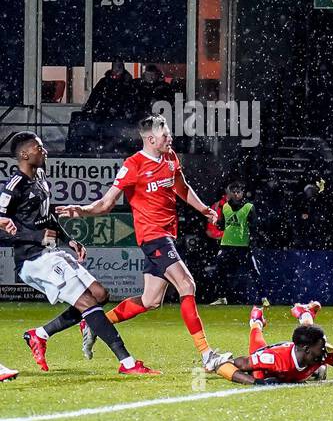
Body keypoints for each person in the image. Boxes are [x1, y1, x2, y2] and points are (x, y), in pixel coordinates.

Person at [56, 115, 227, 374]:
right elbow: (106, 203)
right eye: (165, 135)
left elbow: (182, 188)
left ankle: (95, 322)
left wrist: (204, 209)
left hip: (167, 234)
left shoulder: (170, 158)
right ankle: (207, 355)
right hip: (152, 235)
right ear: (150, 139)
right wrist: (81, 210)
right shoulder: (133, 165)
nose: (170, 138)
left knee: (150, 300)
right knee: (187, 284)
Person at [1, 132, 158, 376]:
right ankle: (127, 362)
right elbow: (2, 221)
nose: (44, 151)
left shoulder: (41, 177)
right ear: (23, 154)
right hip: (33, 259)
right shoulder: (14, 185)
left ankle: (39, 334)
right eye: (38, 148)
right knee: (87, 303)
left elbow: (46, 216)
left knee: (100, 294)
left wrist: (69, 239)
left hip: (50, 252)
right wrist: (35, 237)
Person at [209, 305, 333, 387]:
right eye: (321, 345)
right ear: (307, 349)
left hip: (294, 365)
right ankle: (256, 321)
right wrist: (256, 383)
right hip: (270, 364)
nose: (326, 348)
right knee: (257, 351)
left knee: (319, 371)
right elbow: (227, 366)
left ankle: (304, 314)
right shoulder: (274, 359)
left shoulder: (322, 353)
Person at [210, 181, 267, 307]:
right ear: (229, 193)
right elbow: (224, 225)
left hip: (243, 246)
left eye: (238, 192)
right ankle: (221, 297)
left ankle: (263, 297)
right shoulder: (225, 207)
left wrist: (252, 241)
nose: (236, 194)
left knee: (254, 271)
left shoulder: (248, 207)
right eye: (233, 192)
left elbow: (254, 227)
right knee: (219, 271)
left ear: (242, 193)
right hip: (227, 244)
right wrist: (216, 222)